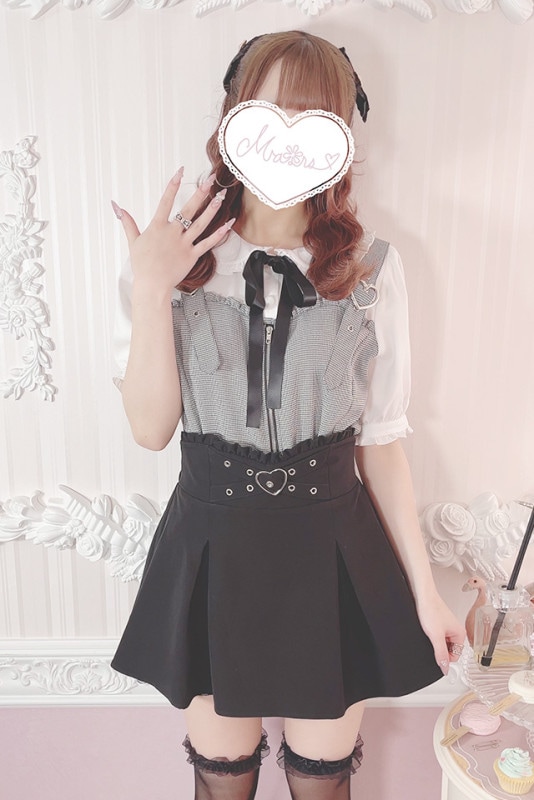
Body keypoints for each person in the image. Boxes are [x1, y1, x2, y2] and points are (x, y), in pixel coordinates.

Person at [109, 30, 465, 800]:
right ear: (233, 120)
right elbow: (150, 430)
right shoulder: (174, 265)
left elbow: (383, 443)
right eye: (270, 113)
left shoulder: (372, 269)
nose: (288, 136)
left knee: (320, 778)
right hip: (210, 547)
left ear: (340, 138)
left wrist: (426, 590)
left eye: (312, 118)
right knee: (221, 777)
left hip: (332, 549)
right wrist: (153, 287)